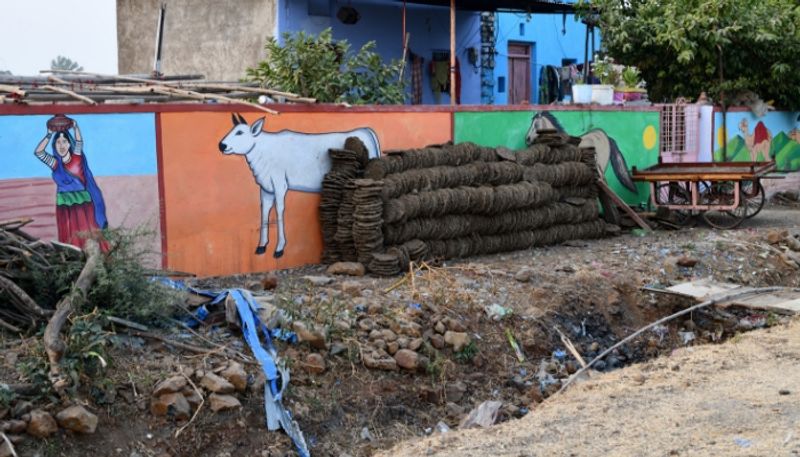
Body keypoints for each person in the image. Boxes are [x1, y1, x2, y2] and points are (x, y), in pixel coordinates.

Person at [33, 117, 108, 249]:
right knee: (69, 235)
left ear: (69, 144)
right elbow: (38, 152)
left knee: (86, 233)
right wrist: (49, 134)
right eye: (58, 143)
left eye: (64, 142)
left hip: (83, 204)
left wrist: (75, 127)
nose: (61, 145)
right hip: (64, 206)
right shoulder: (55, 163)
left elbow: (79, 141)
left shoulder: (76, 158)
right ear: (54, 145)